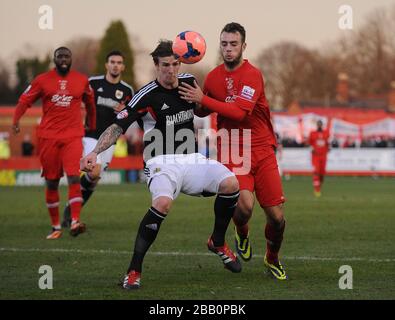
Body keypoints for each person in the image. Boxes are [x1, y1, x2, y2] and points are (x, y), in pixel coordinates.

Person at [80, 40, 241, 290]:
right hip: (161, 163)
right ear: (156, 66)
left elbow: (200, 110)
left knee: (231, 183)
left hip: (192, 159)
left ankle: (217, 241)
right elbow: (117, 126)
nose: (171, 70)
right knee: (162, 204)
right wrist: (95, 152)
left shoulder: (189, 82)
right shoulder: (146, 95)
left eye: (175, 64)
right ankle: (134, 269)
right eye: (165, 65)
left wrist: (201, 100)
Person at [179, 22, 287, 280]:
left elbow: (239, 112)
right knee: (245, 206)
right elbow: (203, 108)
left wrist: (202, 100)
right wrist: (185, 93)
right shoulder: (214, 77)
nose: (228, 49)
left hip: (261, 147)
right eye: (224, 44)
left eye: (233, 44)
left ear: (243, 46)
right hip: (231, 146)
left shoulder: (252, 75)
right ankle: (241, 231)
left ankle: (272, 258)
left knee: (276, 218)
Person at [12, 47, 96, 239]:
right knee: (52, 182)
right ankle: (56, 227)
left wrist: (92, 123)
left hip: (73, 137)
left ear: (71, 59)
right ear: (54, 59)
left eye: (67, 56)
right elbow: (25, 100)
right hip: (48, 138)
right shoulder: (42, 80)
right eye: (60, 56)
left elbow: (90, 102)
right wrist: (16, 120)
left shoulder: (81, 80)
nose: (64, 59)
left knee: (74, 177)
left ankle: (75, 221)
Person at [62, 51, 134, 227]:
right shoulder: (93, 83)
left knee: (93, 179)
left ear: (123, 66)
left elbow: (130, 114)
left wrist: (124, 112)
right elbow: (76, 100)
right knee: (93, 171)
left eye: (119, 62)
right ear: (106, 65)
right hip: (91, 135)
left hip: (110, 140)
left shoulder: (127, 90)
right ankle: (71, 212)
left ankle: (70, 210)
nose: (115, 65)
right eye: (112, 62)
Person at [308, 119, 330, 197]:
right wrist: (312, 148)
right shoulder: (312, 133)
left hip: (323, 156)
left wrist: (329, 147)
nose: (319, 126)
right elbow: (309, 143)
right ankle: (316, 190)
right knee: (316, 172)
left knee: (322, 174)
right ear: (317, 125)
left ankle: (319, 187)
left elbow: (327, 143)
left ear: (322, 125)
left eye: (321, 124)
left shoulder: (326, 133)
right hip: (315, 156)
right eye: (318, 124)